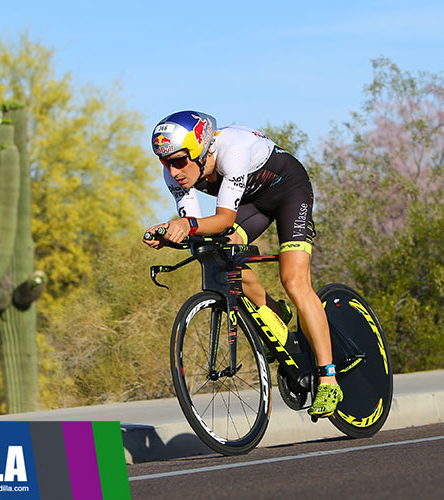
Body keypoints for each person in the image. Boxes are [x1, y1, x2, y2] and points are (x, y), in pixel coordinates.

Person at [143, 110, 342, 417]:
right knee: (221, 257)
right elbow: (191, 224)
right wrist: (170, 234)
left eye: (180, 160)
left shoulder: (231, 152)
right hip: (254, 204)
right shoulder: (174, 173)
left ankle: (328, 378)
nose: (173, 170)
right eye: (165, 162)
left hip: (289, 191)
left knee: (294, 281)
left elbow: (223, 219)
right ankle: (274, 312)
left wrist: (187, 225)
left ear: (201, 151)